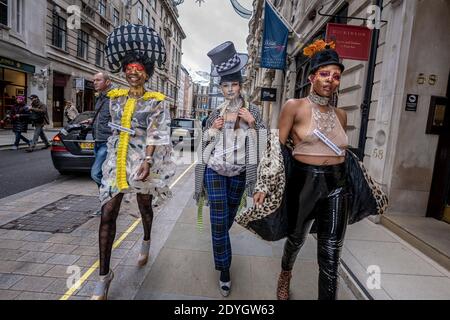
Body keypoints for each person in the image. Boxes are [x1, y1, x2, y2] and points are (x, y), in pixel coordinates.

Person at [253, 40, 349, 300]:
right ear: (312, 77)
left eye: (336, 76)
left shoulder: (341, 115)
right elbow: (276, 147)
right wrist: (264, 184)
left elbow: (344, 153)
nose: (331, 80)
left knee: (331, 254)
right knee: (296, 239)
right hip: (304, 183)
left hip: (337, 187)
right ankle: (285, 274)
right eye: (325, 74)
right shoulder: (293, 107)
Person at [91, 24, 175, 300]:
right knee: (108, 213)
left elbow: (157, 132)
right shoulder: (114, 97)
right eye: (129, 68)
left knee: (144, 205)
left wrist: (149, 160)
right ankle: (104, 277)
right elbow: (107, 124)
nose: (132, 72)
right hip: (117, 158)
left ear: (147, 73)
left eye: (138, 68)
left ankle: (147, 238)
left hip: (142, 157)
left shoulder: (156, 100)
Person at [194, 41, 265, 297]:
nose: (230, 89)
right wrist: (212, 130)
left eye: (234, 85)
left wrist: (253, 125)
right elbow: (202, 146)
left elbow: (263, 145)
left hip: (239, 173)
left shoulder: (254, 111)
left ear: (241, 86)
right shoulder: (215, 113)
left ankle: (221, 246)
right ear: (221, 88)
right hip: (214, 170)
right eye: (225, 86)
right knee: (217, 222)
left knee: (225, 221)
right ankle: (224, 270)